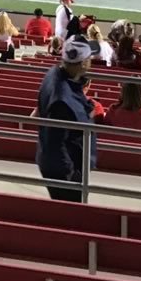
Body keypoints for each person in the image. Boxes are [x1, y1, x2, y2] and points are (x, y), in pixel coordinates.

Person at [35, 37, 97, 202]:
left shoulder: (55, 74)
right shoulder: (62, 100)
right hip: (65, 173)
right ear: (83, 64)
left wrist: (86, 106)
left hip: (61, 164)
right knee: (71, 215)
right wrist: (71, 175)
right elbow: (54, 145)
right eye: (89, 58)